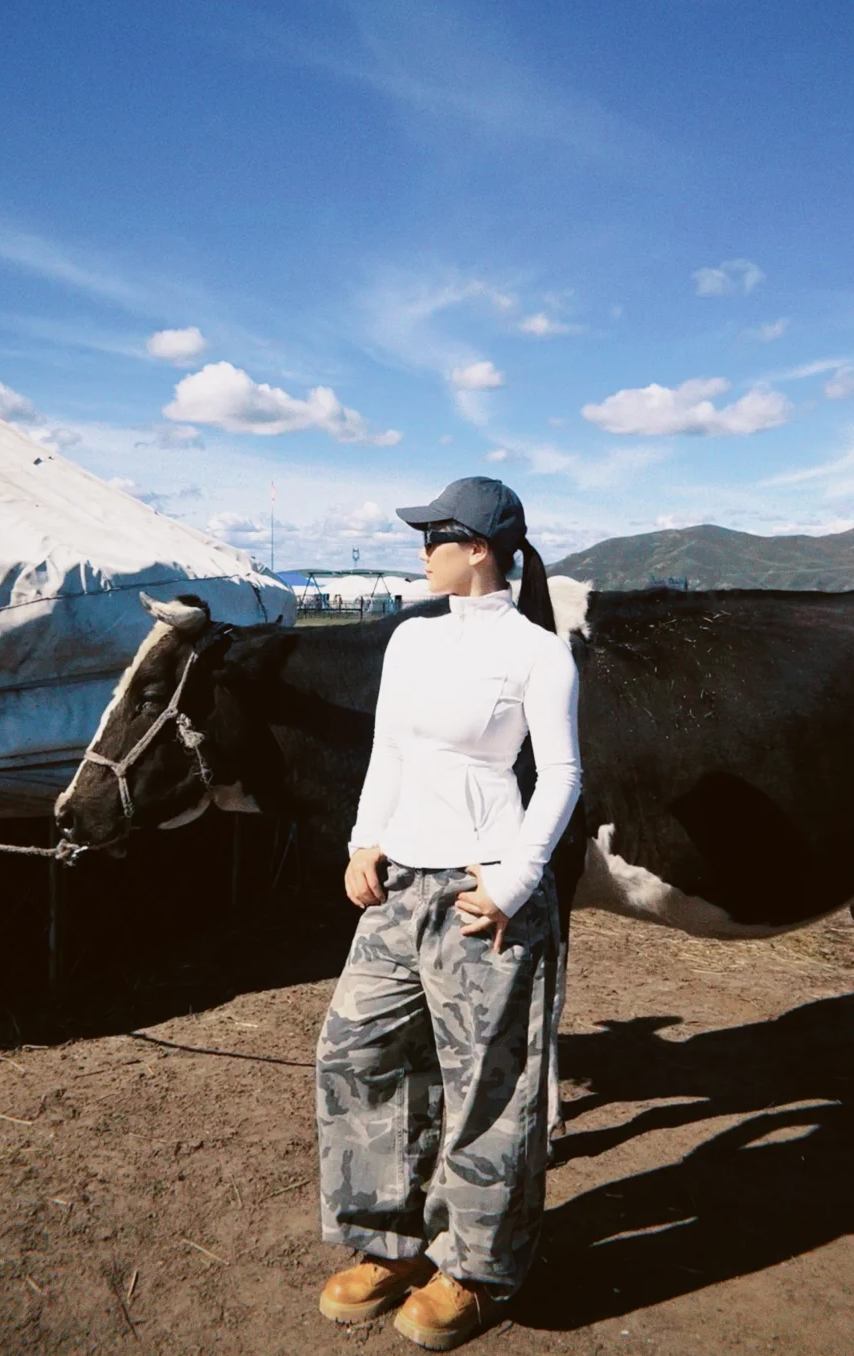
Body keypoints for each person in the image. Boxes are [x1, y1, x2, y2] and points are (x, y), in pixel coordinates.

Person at [315, 476, 581, 1350]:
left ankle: (473, 1267)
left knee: (488, 1088)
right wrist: (364, 837)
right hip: (397, 885)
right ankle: (387, 1241)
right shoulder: (410, 642)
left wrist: (513, 880)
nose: (419, 548)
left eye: (433, 533)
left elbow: (563, 777)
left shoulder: (540, 653)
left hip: (481, 893)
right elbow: (389, 747)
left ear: (479, 549)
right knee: (358, 1049)